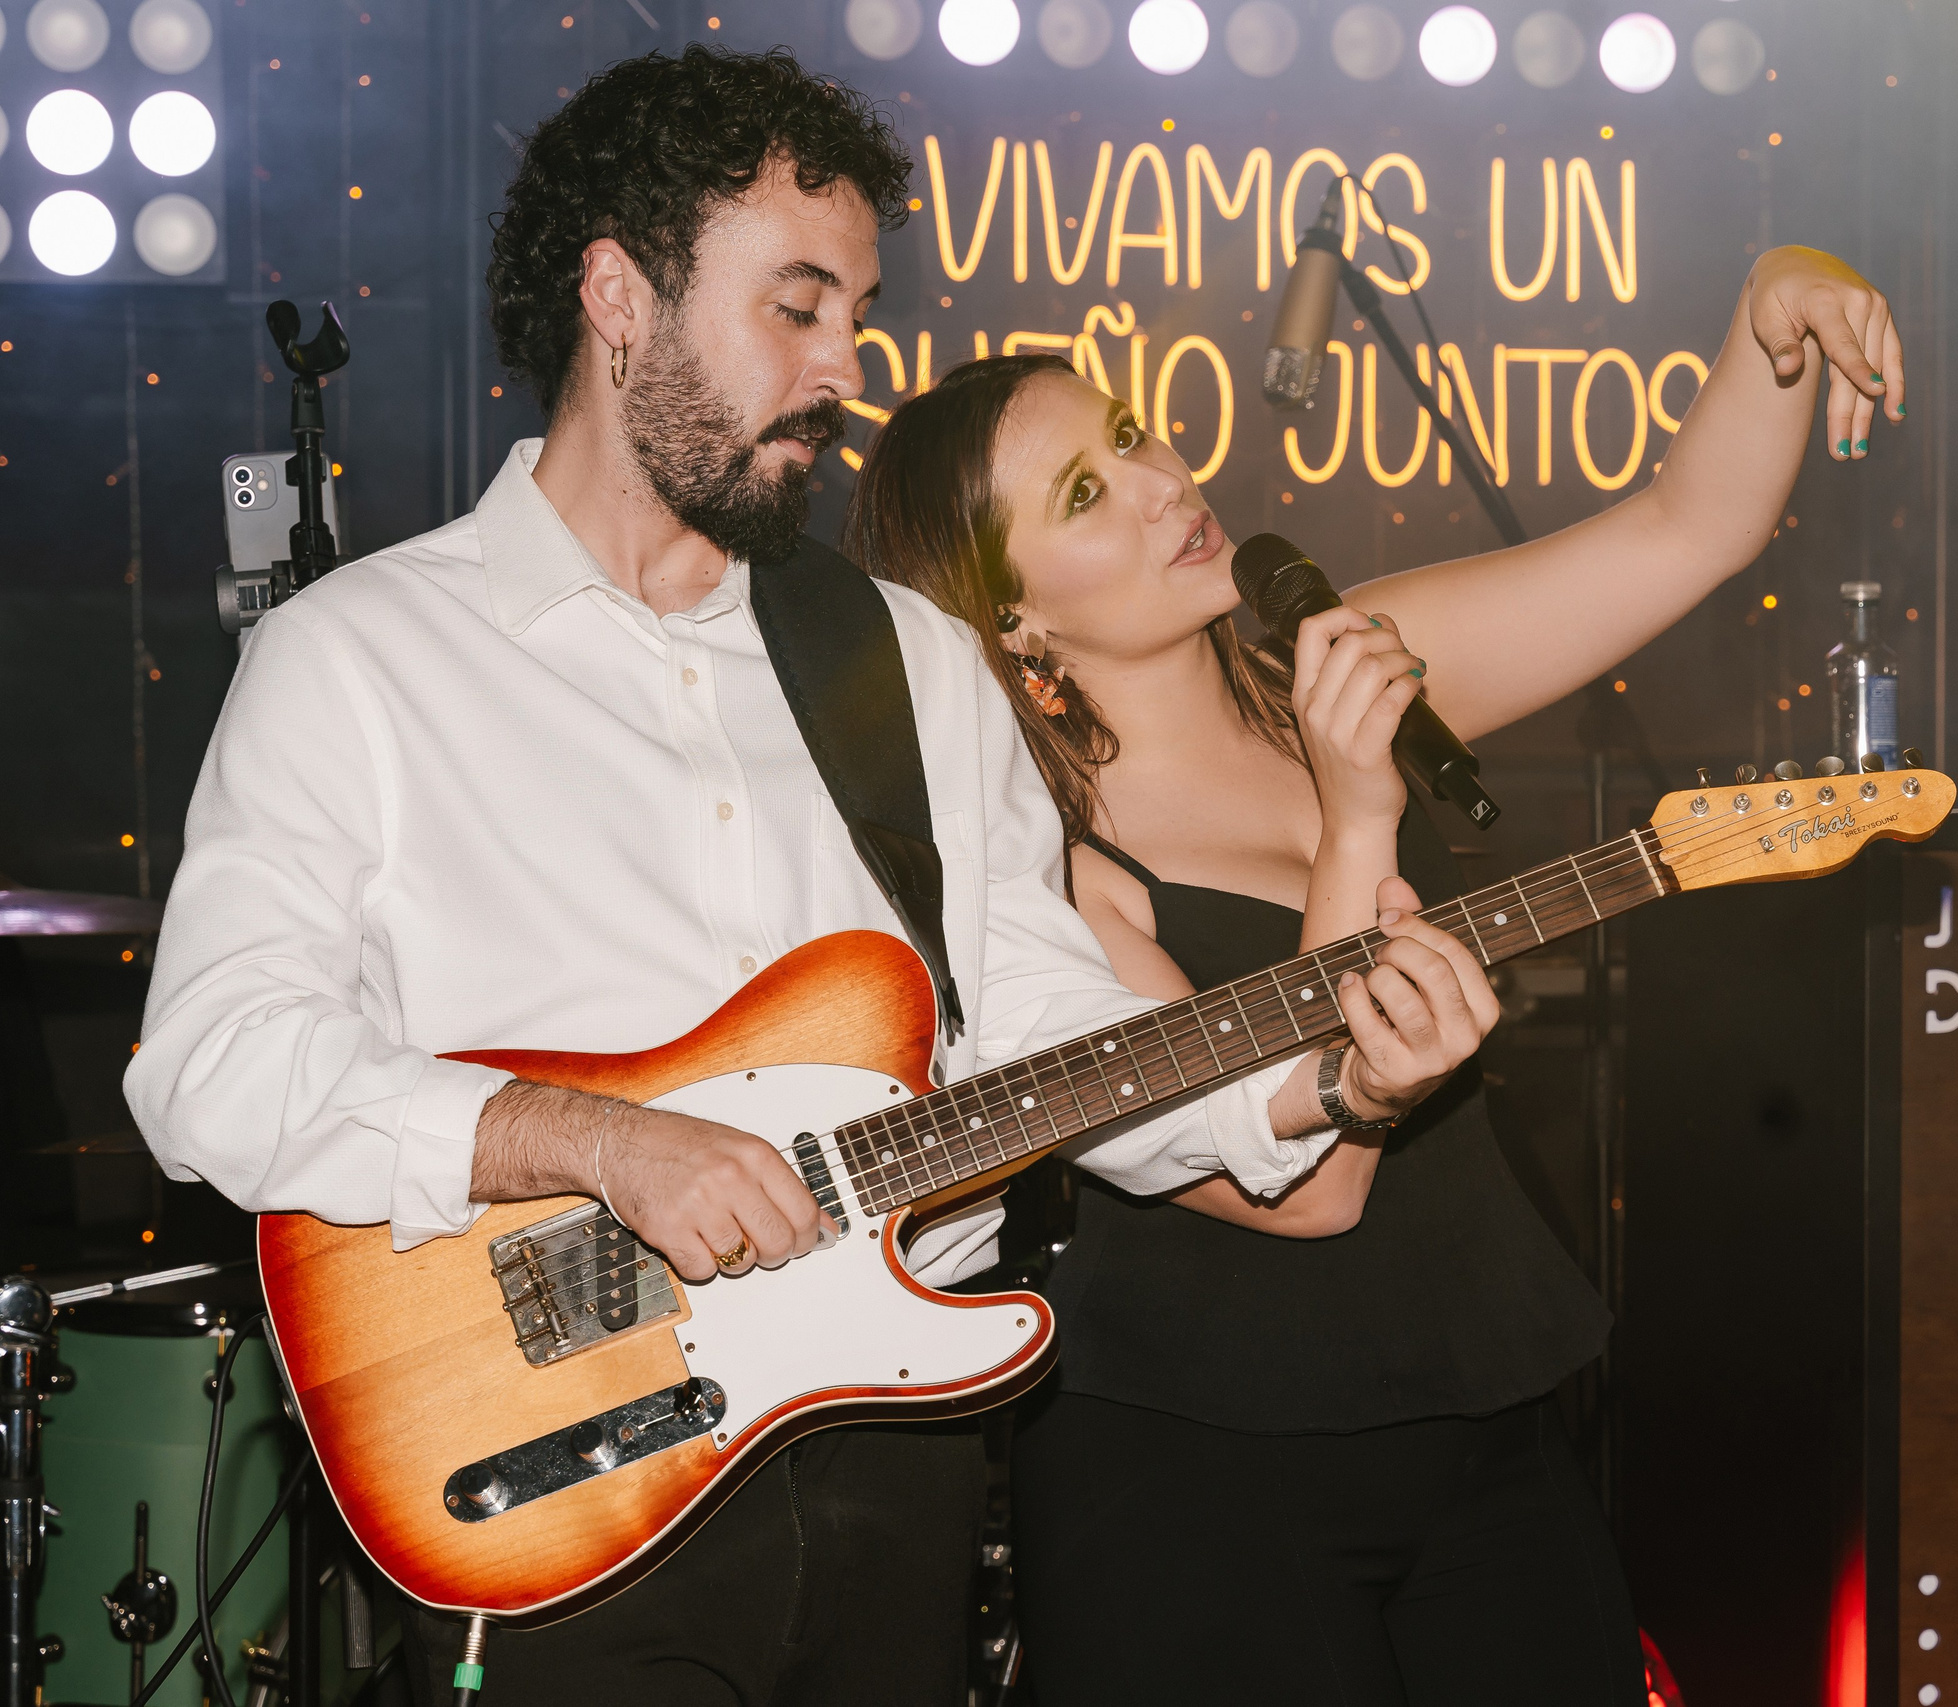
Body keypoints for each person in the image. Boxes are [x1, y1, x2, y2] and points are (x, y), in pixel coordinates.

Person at [122, 46, 1493, 1707]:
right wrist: (590, 1137)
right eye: (797, 305)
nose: (845, 361)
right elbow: (212, 1063)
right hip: (552, 1475)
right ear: (616, 297)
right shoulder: (364, 659)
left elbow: (1033, 1018)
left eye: (855, 309)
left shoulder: (907, 660)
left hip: (889, 1471)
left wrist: (1324, 1083)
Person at [849, 245, 1903, 1706]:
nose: (1162, 480)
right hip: (1200, 1487)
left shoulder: (1331, 671)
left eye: (1133, 432)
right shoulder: (1044, 861)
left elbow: (1688, 526)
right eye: (1088, 494)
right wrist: (1356, 818)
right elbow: (1313, 1181)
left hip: (1481, 1408)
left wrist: (1769, 307)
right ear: (1011, 622)